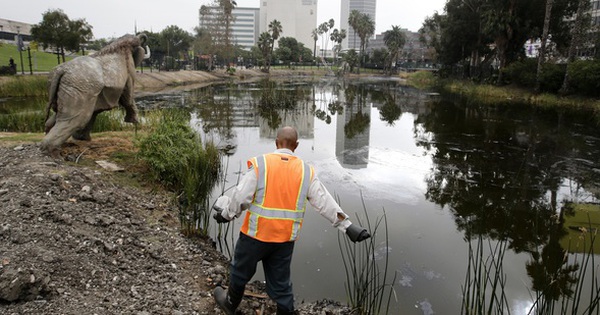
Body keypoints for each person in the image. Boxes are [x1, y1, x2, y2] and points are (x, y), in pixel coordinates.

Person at [212, 126, 371, 315]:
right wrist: (348, 226)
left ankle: (230, 304)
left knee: (240, 271)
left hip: (255, 236)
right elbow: (324, 201)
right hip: (284, 241)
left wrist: (226, 215)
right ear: (296, 145)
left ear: (276, 142)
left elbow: (240, 198)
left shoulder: (260, 164)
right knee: (281, 283)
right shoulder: (306, 172)